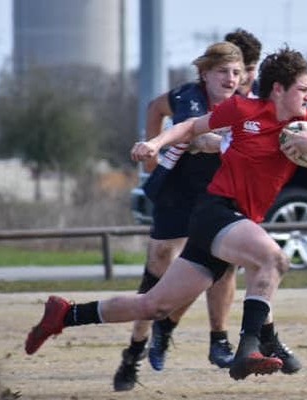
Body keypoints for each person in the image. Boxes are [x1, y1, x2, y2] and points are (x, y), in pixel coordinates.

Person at [24, 46, 307, 381]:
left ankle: (66, 315)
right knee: (274, 260)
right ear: (278, 89)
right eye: (303, 89)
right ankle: (250, 348)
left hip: (231, 222)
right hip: (216, 211)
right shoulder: (243, 109)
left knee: (153, 306)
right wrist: (155, 143)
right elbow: (188, 127)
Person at [110, 40, 247, 391]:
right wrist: (153, 146)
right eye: (223, 72)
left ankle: (218, 339)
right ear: (205, 74)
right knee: (157, 269)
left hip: (216, 194)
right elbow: (161, 111)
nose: (230, 79)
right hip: (177, 193)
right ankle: (134, 351)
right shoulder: (188, 98)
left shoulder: (246, 106)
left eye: (236, 72)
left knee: (222, 264)